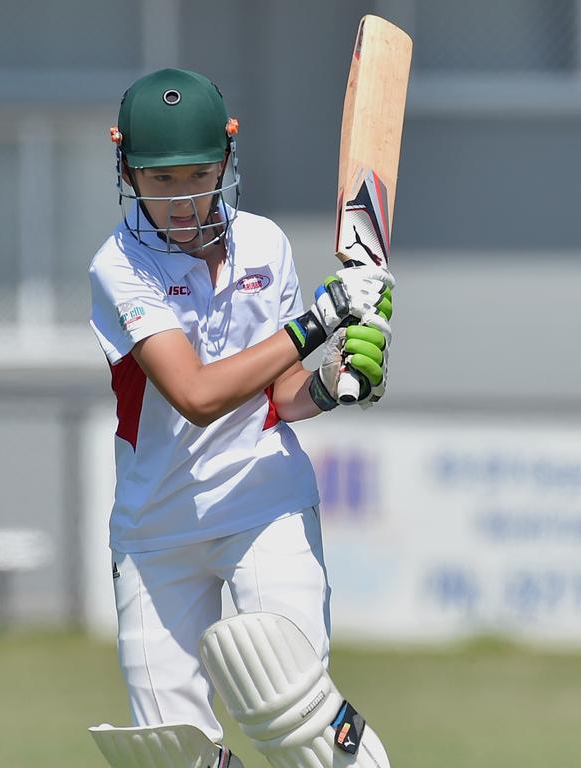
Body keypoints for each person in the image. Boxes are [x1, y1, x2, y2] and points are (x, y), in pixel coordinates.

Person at [86, 68, 394, 767]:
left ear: (229, 155)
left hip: (264, 505)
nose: (184, 198)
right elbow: (194, 396)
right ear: (126, 169)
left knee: (296, 715)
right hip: (155, 527)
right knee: (174, 754)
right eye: (160, 181)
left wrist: (336, 383)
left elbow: (279, 393)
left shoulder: (265, 245)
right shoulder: (119, 265)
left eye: (199, 173)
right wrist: (319, 322)